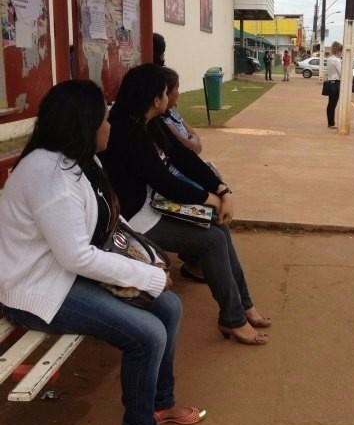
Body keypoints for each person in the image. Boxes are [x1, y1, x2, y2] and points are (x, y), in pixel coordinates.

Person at [0, 80, 205, 425]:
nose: (110, 125)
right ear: (84, 125)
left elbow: (110, 221)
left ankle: (160, 403)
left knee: (169, 306)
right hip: (37, 289)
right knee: (148, 335)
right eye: (104, 119)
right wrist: (148, 276)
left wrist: (146, 260)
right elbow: (77, 257)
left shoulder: (79, 161)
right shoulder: (50, 177)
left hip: (62, 274)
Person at [98, 64, 271, 346]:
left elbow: (184, 158)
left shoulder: (149, 123)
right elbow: (164, 181)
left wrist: (222, 189)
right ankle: (233, 318)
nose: (171, 97)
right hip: (133, 219)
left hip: (152, 206)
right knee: (213, 240)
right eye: (168, 92)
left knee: (219, 229)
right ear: (156, 99)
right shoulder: (126, 131)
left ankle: (243, 306)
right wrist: (212, 200)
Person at [162, 67, 202, 154]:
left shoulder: (172, 113)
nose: (178, 93)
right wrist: (194, 140)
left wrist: (195, 141)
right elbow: (189, 147)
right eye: (176, 88)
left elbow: (198, 145)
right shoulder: (161, 120)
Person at [326, 41, 343, 129]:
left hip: (330, 82)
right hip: (336, 83)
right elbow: (341, 73)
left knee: (330, 104)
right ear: (337, 50)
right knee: (333, 104)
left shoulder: (329, 59)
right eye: (340, 51)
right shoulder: (336, 60)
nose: (341, 53)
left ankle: (330, 122)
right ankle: (331, 123)